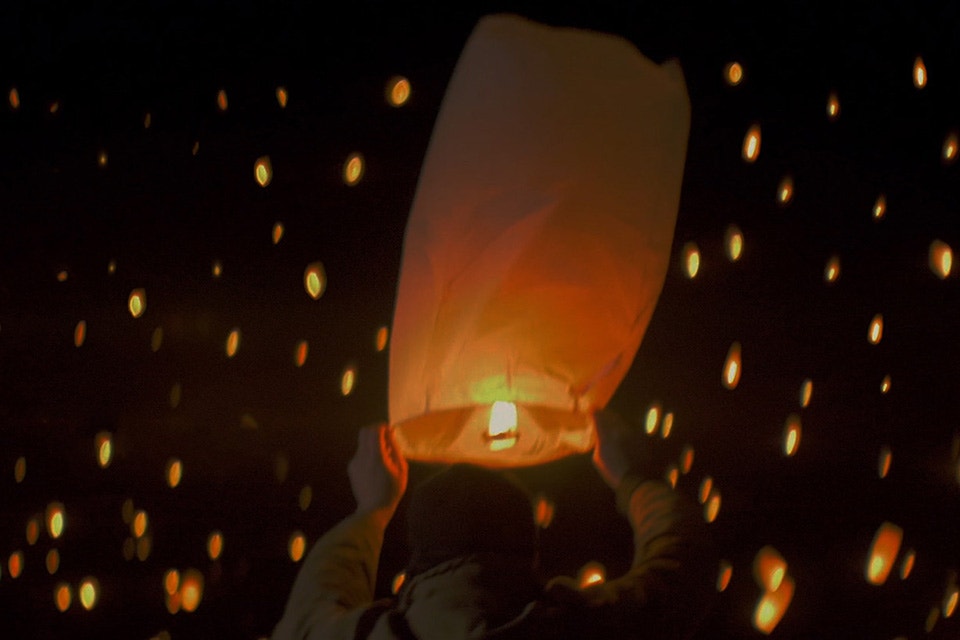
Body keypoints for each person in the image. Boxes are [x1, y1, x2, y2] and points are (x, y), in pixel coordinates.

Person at [271, 413, 717, 639]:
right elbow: (682, 570)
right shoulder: (578, 630)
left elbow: (306, 621)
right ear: (531, 553)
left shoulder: (378, 636)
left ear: (418, 562)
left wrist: (370, 510)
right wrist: (633, 479)